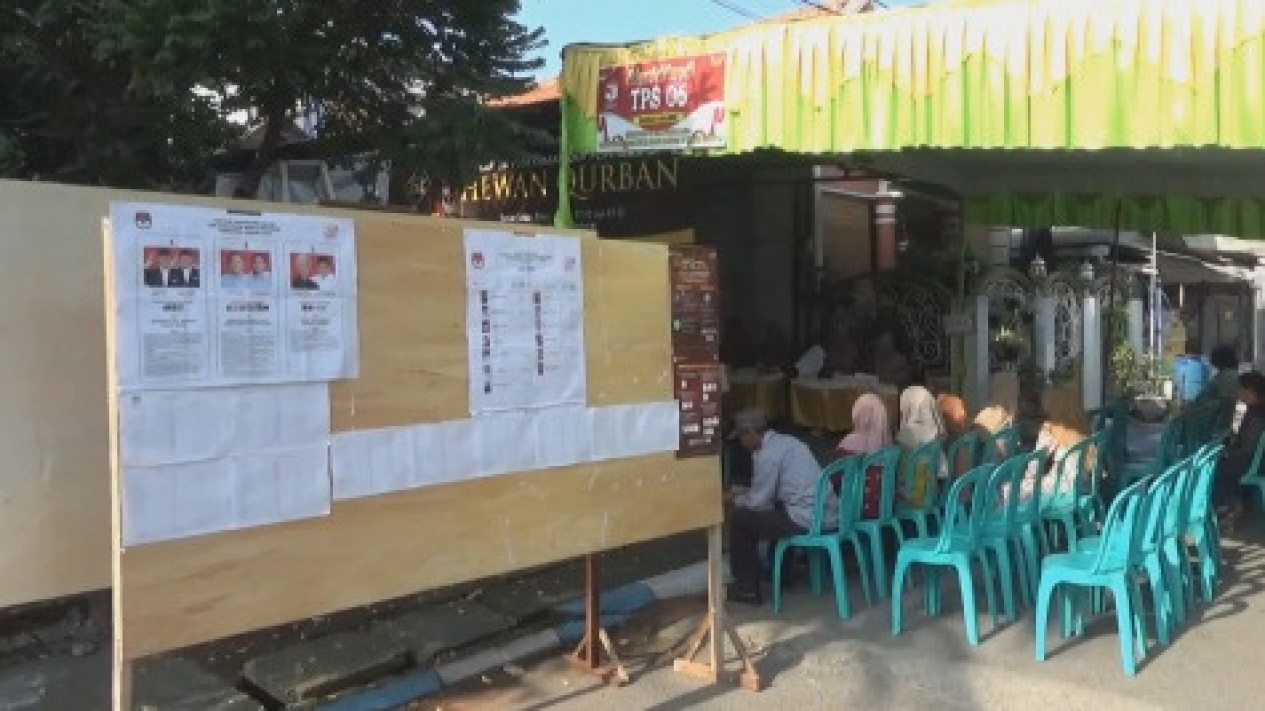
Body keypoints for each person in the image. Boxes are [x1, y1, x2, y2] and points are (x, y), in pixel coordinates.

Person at [727, 408, 830, 605]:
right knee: (776, 513)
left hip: (807, 517)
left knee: (741, 519)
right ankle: (780, 573)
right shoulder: (788, 442)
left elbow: (758, 503)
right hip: (824, 512)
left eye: (742, 436)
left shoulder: (768, 454)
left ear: (751, 432)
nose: (741, 442)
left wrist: (735, 499)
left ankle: (746, 589)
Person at [1023, 388, 1092, 503]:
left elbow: (1035, 463)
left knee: (1008, 490)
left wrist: (1027, 479)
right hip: (1084, 486)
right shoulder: (1082, 426)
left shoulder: (1051, 428)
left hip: (1061, 489)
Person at [1215, 371, 1265, 526]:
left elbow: (1247, 449)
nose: (1237, 392)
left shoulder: (1256, 415)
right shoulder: (1254, 410)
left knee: (1218, 468)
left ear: (1250, 391)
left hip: (1254, 463)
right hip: (1256, 460)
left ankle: (1228, 507)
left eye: (1240, 389)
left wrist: (1228, 451)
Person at [837, 394, 893, 519]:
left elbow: (837, 479)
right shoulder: (888, 444)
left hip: (856, 511)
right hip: (885, 508)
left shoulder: (850, 444)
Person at [896, 386, 948, 505]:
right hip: (932, 495)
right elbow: (942, 472)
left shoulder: (905, 434)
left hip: (910, 497)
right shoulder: (936, 433)